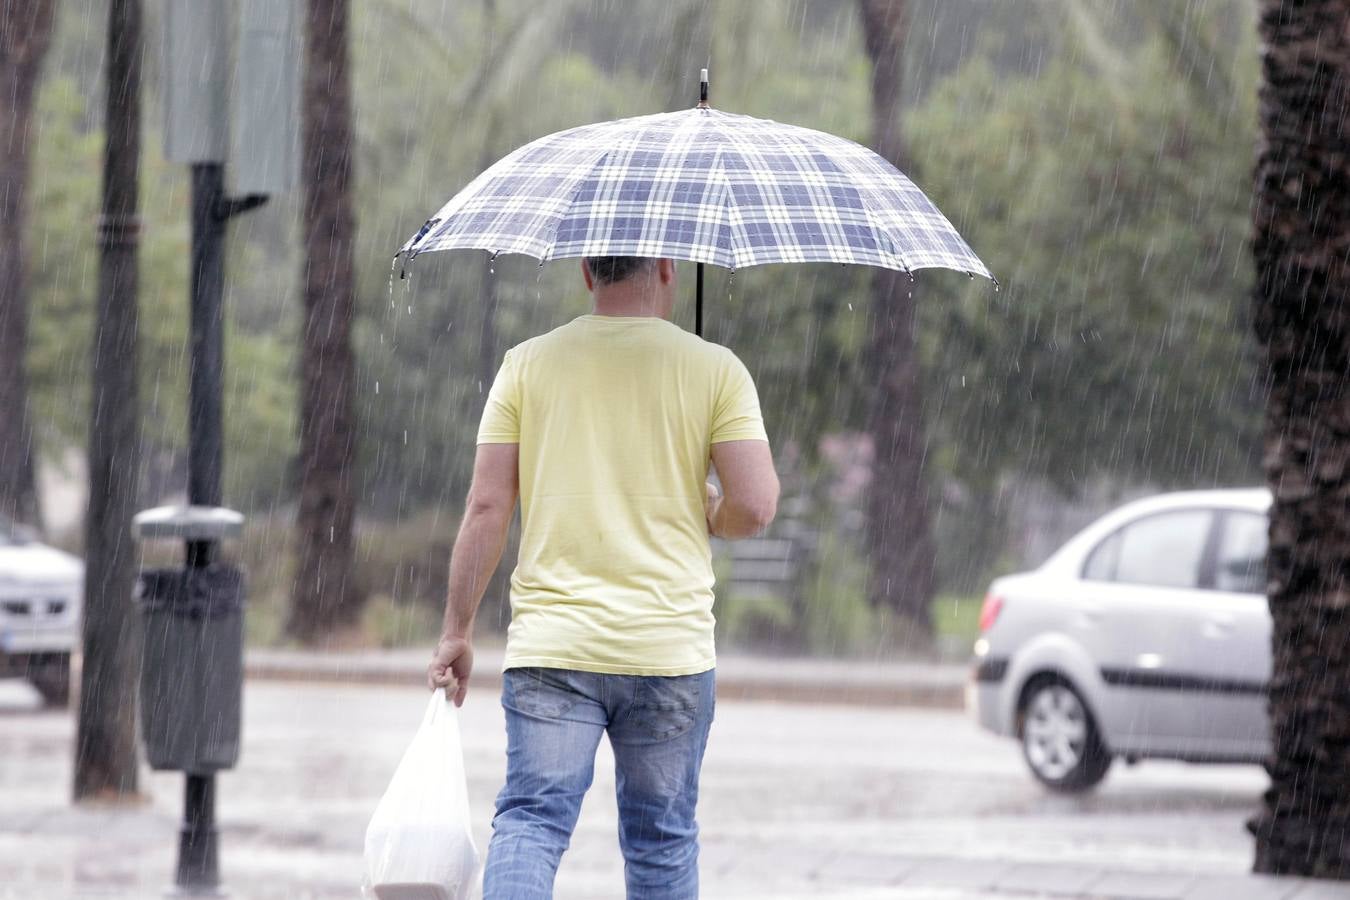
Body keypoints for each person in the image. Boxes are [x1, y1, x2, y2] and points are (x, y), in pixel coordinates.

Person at [427, 255, 779, 899]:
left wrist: (457, 629)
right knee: (661, 842)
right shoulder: (715, 369)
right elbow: (755, 505)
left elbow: (486, 508)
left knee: (531, 823)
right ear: (669, 268)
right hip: (668, 650)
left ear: (589, 272)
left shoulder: (526, 365)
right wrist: (712, 512)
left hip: (553, 649)